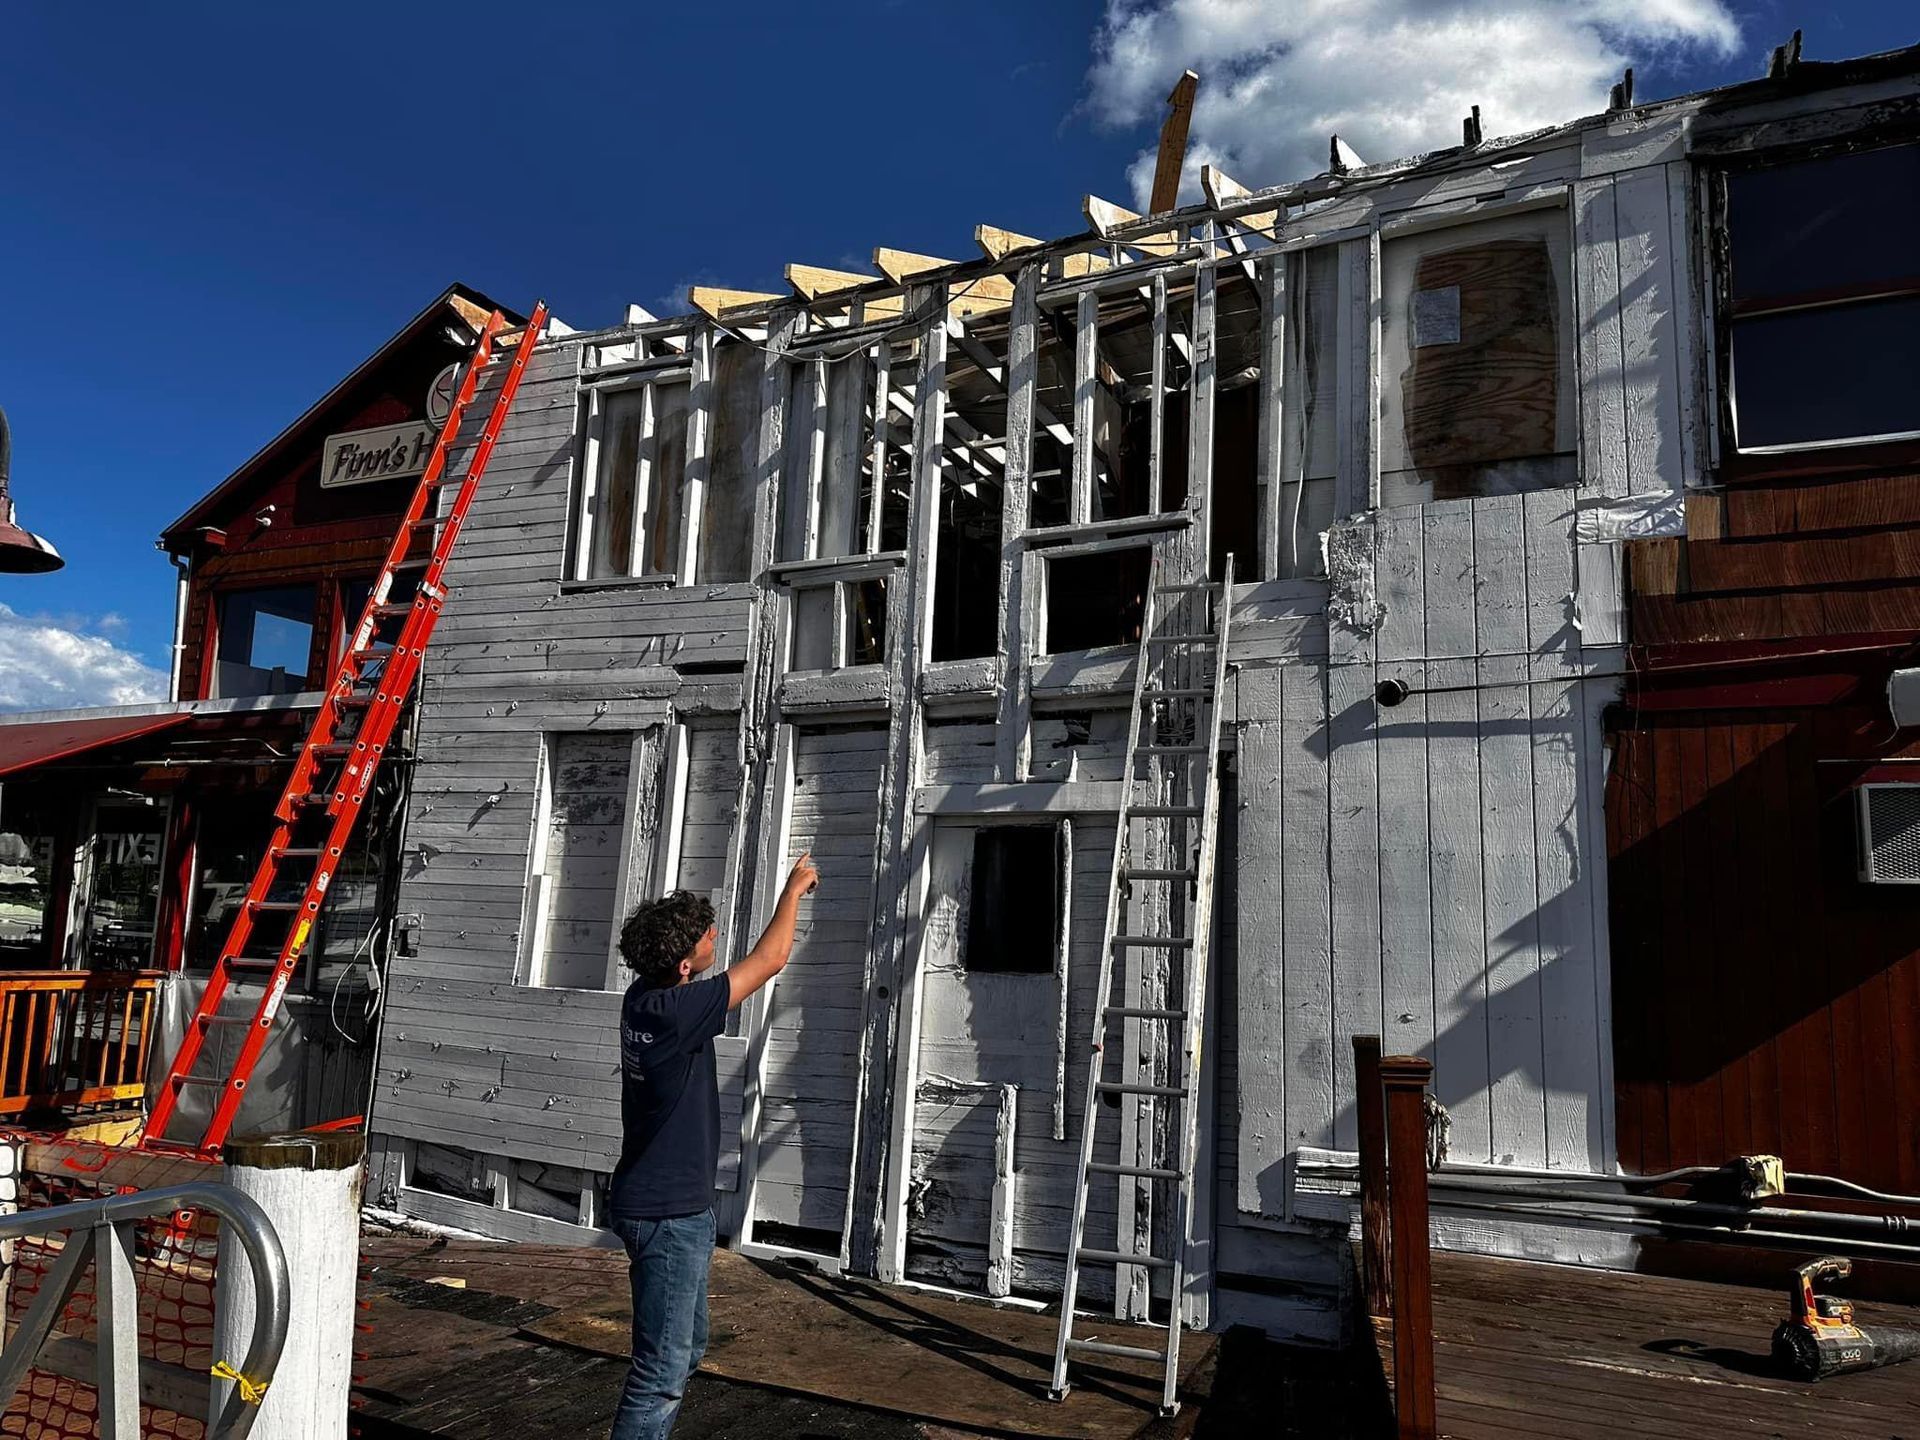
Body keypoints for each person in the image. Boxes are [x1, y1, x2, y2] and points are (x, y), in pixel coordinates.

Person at [607, 852, 818, 1440]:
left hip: (656, 1204)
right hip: (669, 1213)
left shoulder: (646, 999)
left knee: (687, 1345)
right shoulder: (679, 1011)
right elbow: (771, 959)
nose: (714, 936)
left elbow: (724, 967)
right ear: (682, 965)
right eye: (705, 936)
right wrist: (793, 890)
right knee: (661, 1372)